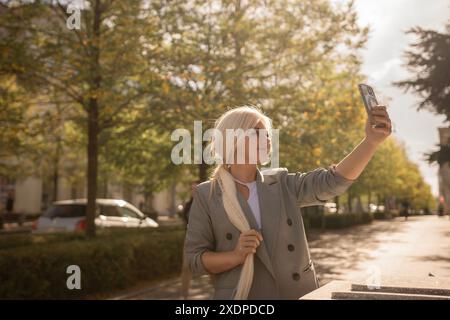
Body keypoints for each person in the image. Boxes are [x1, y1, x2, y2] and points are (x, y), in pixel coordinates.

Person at [184, 104, 392, 300]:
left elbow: (332, 181)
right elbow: (195, 260)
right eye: (257, 132)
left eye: (267, 134)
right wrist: (236, 256)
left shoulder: (282, 182)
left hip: (298, 293)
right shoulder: (207, 194)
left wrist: (370, 142)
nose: (266, 139)